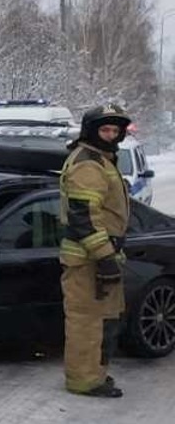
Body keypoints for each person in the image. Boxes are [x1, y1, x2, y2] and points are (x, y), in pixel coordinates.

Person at [60, 103, 132, 398]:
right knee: (86, 322)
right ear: (91, 130)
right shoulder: (89, 163)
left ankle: (95, 373)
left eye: (115, 130)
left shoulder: (102, 159)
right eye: (105, 129)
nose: (111, 135)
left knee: (104, 318)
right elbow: (84, 217)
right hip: (88, 259)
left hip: (101, 254)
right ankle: (84, 380)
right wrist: (104, 257)